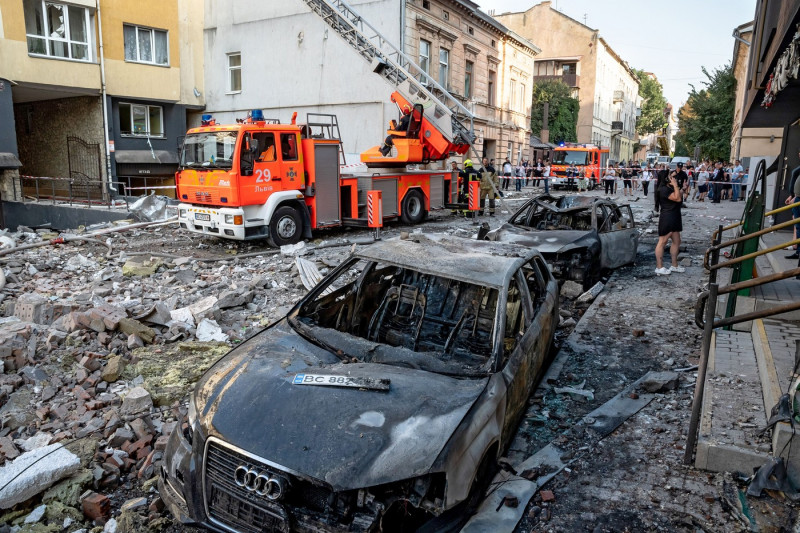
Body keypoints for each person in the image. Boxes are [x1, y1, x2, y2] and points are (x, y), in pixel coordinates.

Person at [654, 170, 686, 276]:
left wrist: (683, 188)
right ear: (665, 178)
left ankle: (674, 265)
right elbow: (677, 198)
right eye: (670, 175)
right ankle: (659, 267)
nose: (672, 177)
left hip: (675, 216)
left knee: (677, 241)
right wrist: (676, 185)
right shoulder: (663, 189)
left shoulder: (669, 187)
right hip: (667, 217)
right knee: (662, 242)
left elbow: (678, 194)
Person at [786, 154, 800, 260]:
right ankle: (798, 250)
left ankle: (798, 251)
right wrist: (793, 195)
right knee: (797, 224)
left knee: (798, 225)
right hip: (797, 197)